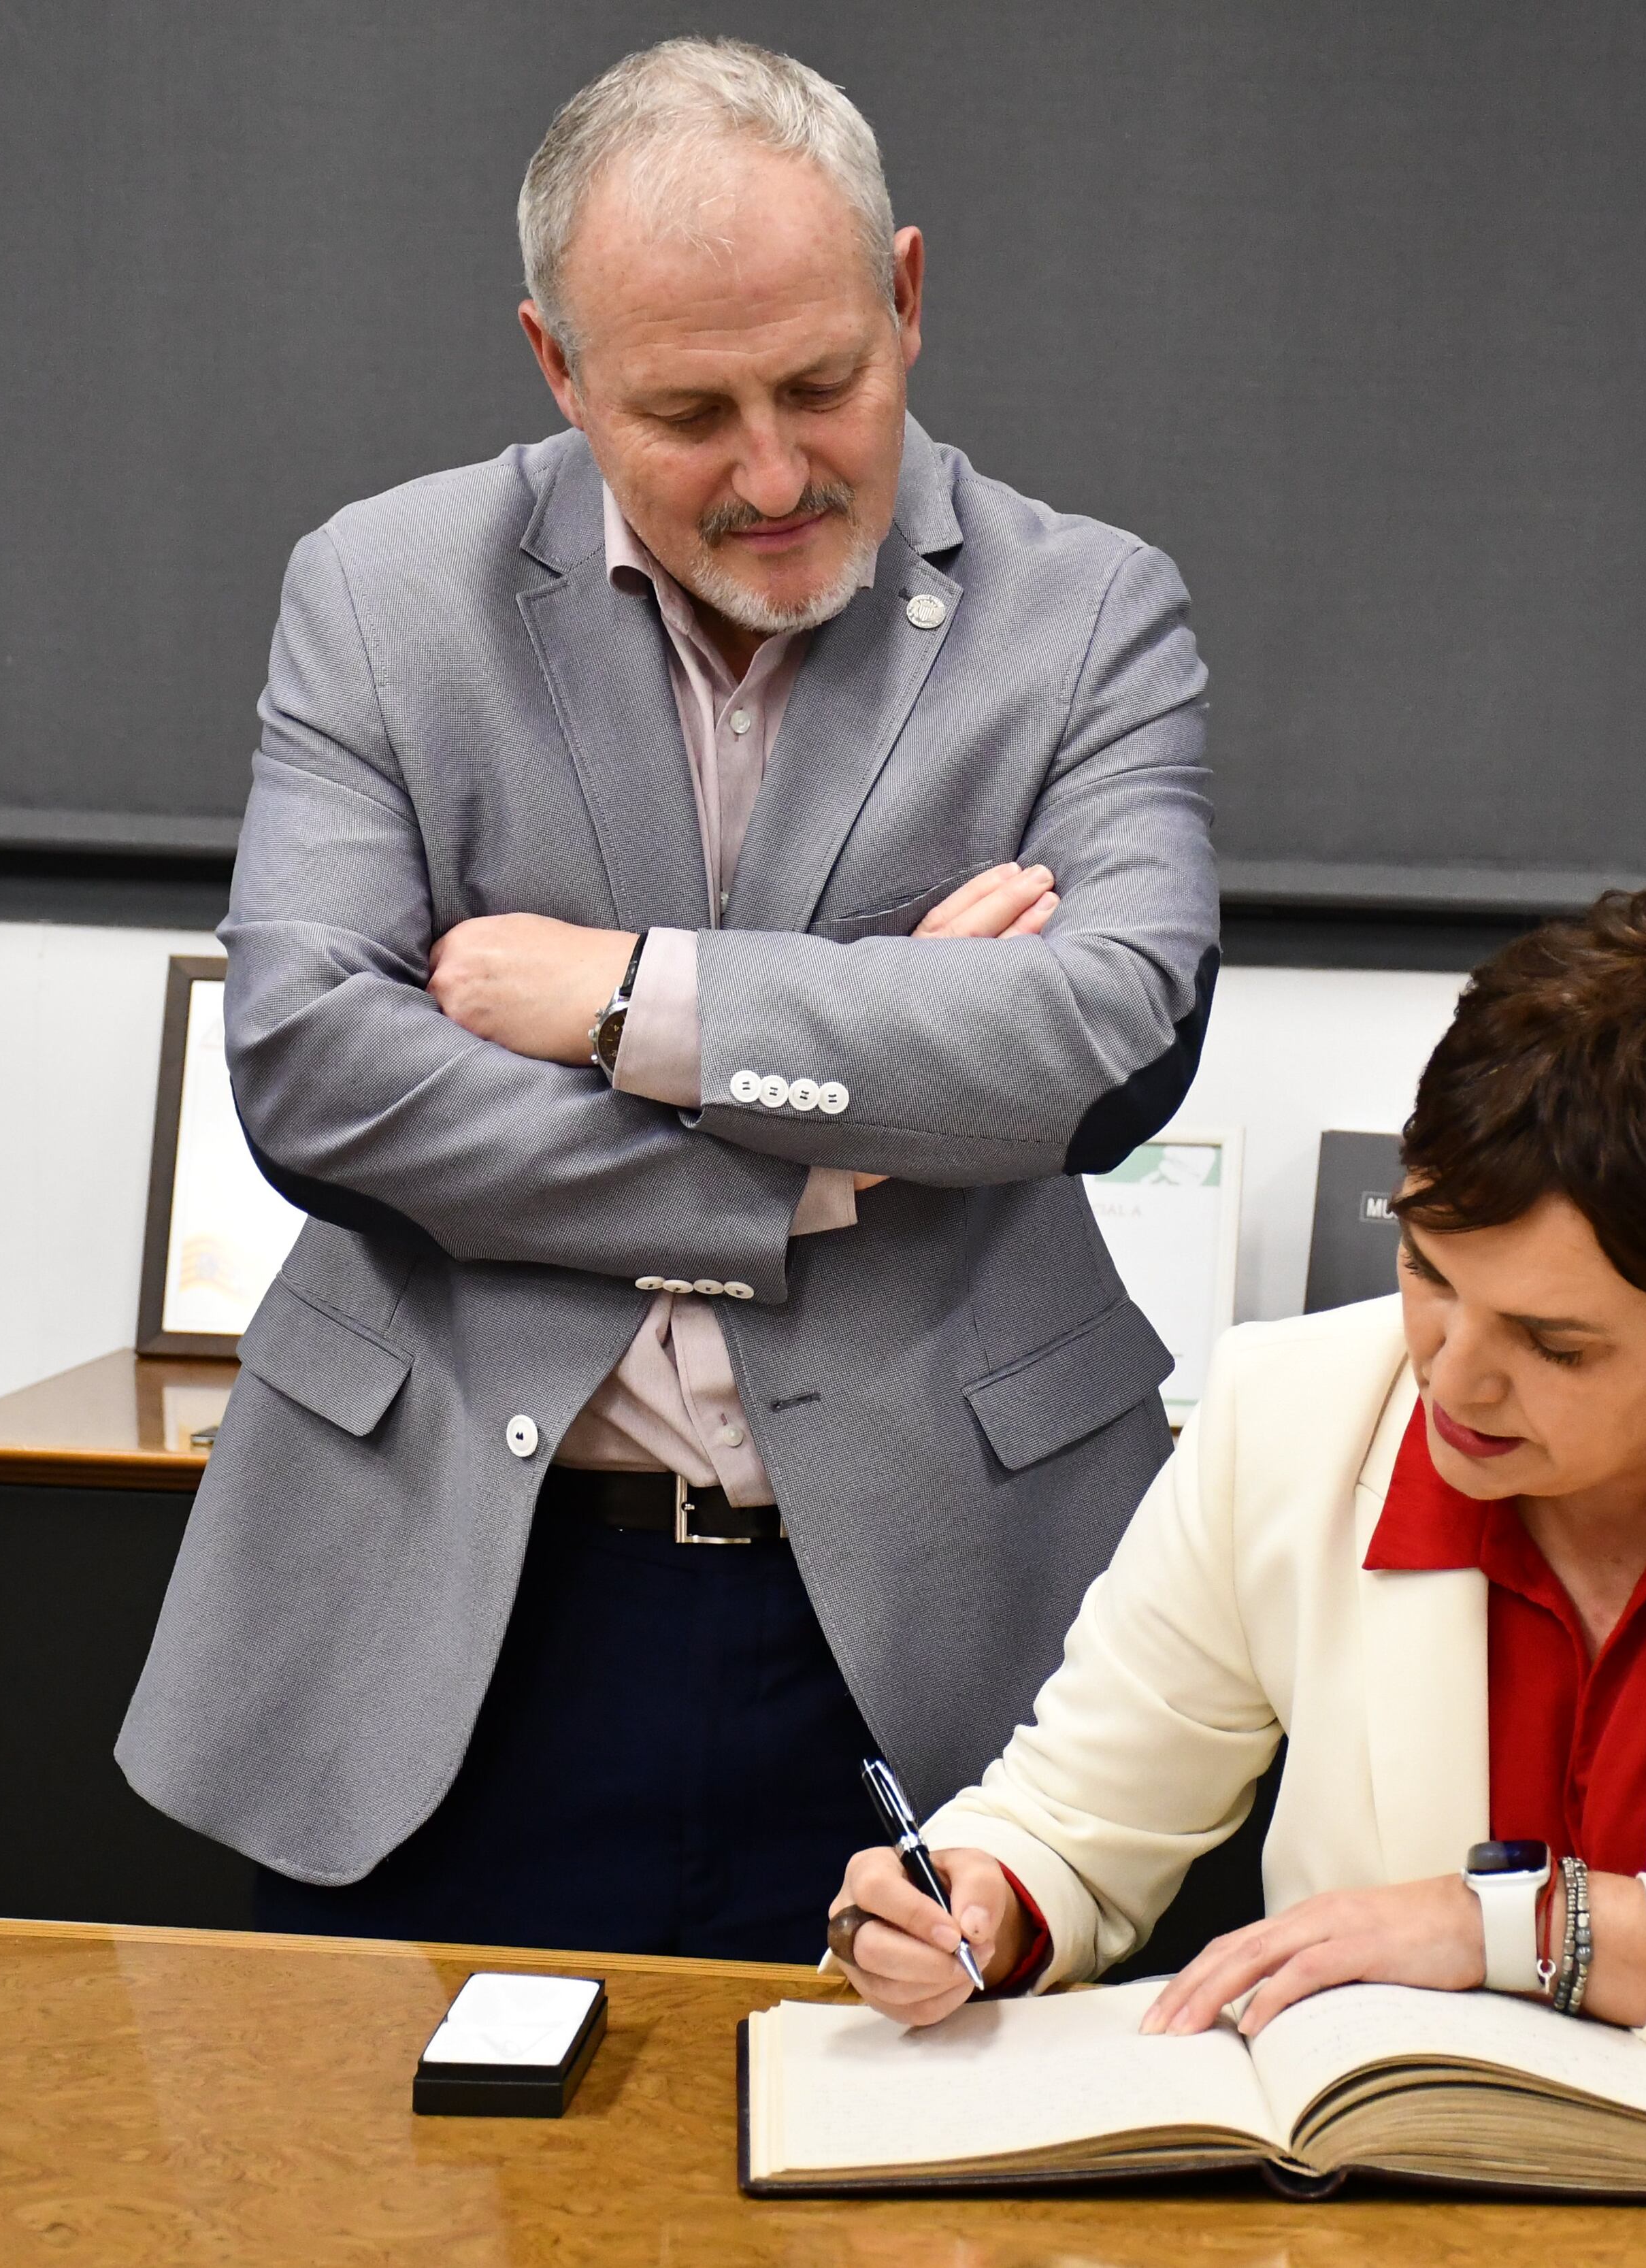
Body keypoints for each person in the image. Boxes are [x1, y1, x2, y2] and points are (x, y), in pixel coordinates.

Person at [116, 36, 1219, 1960]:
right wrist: (822, 1140)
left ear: (909, 295)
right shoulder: (383, 595)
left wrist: (626, 999)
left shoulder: (1093, 612)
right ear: (557, 367)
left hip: (944, 1616)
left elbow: (1104, 1039)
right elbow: (310, 1067)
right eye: (692, 411)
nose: (778, 473)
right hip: (458, 1607)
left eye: (823, 384)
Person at [827, 889, 1646, 2107]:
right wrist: (978, 1900)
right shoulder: (1288, 1410)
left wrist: (1515, 1930)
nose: (1451, 1374)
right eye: (1427, 1271)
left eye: (1556, 1345)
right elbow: (1076, 1817)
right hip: (1404, 2191)